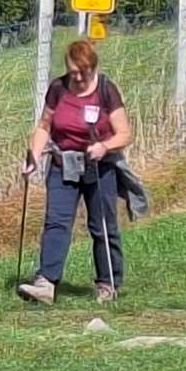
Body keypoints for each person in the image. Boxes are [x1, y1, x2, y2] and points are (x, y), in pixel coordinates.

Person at [18, 40, 132, 304]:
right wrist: (33, 156)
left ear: (93, 67)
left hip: (99, 166)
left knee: (101, 226)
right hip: (62, 164)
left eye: (84, 72)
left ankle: (107, 282)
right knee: (56, 221)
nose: (79, 78)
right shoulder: (58, 89)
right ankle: (46, 282)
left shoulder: (106, 90)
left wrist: (104, 146)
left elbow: (124, 133)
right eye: (73, 72)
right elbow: (44, 126)